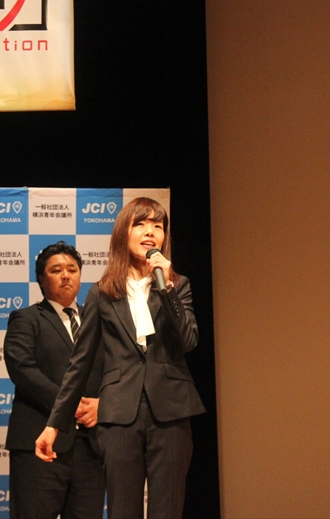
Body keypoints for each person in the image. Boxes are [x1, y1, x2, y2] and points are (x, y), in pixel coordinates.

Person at [35, 198, 205, 519]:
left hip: (171, 410)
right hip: (118, 416)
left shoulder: (177, 285)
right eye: (140, 224)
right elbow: (79, 365)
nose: (150, 232)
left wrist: (167, 288)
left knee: (168, 510)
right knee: (122, 510)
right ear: (122, 235)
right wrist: (54, 424)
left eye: (157, 225)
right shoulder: (102, 292)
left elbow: (188, 340)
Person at [4, 241, 105, 519]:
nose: (66, 276)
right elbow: (22, 369)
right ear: (41, 278)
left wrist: (103, 404)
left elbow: (116, 371)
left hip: (91, 445)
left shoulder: (98, 321)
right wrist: (67, 404)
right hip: (39, 444)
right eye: (56, 270)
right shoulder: (25, 318)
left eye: (72, 269)